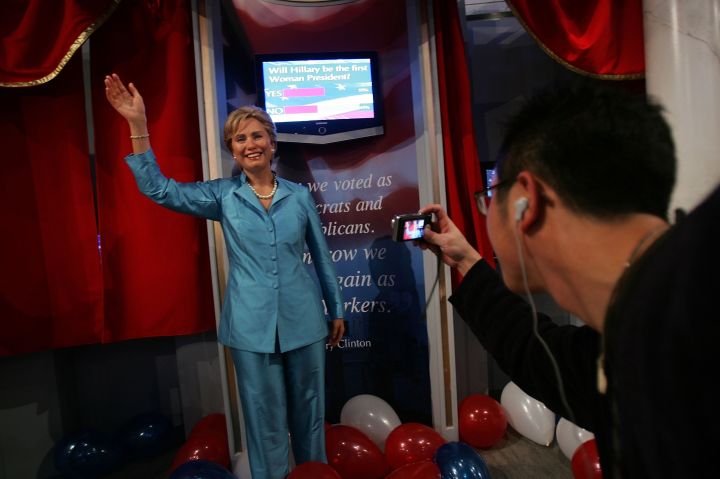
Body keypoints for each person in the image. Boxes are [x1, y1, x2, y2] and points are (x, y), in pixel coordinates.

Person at [418, 80, 719, 478]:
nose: (485, 213)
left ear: (527, 201)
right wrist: (465, 260)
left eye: (489, 197)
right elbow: (542, 356)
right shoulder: (633, 329)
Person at [104, 73, 345, 479]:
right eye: (239, 139)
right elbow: (159, 190)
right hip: (250, 328)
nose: (250, 145)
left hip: (306, 323)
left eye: (256, 136)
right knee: (263, 419)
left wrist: (335, 308)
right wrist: (138, 127)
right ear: (232, 151)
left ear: (272, 143)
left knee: (310, 414)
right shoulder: (221, 196)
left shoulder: (300, 196)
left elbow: (321, 257)